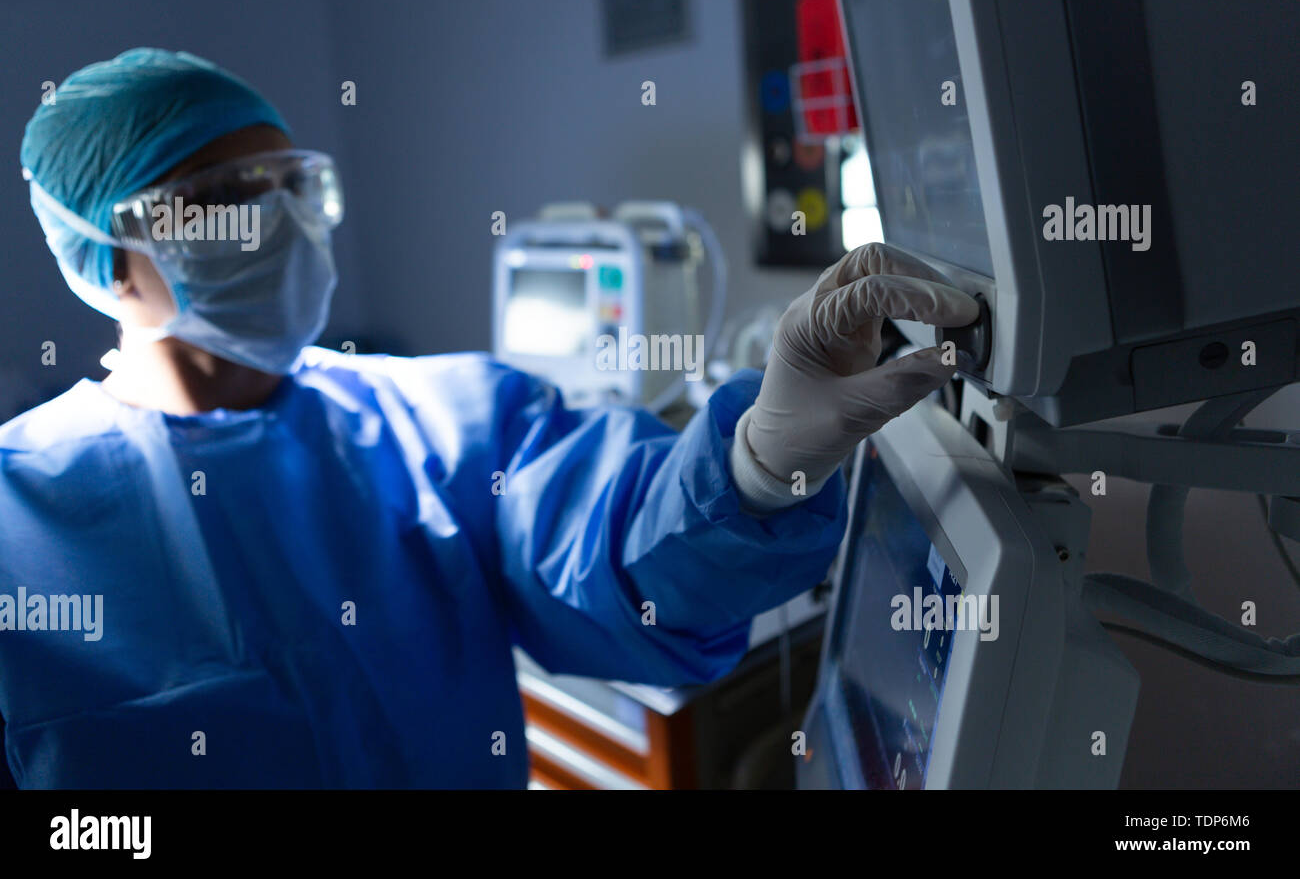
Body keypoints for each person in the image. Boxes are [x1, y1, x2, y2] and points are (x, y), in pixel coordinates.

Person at [0, 49, 977, 788]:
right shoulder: (21, 522)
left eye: (291, 184)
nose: (278, 221)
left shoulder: (438, 425)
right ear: (106, 258)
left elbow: (612, 546)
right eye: (220, 200)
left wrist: (755, 465)